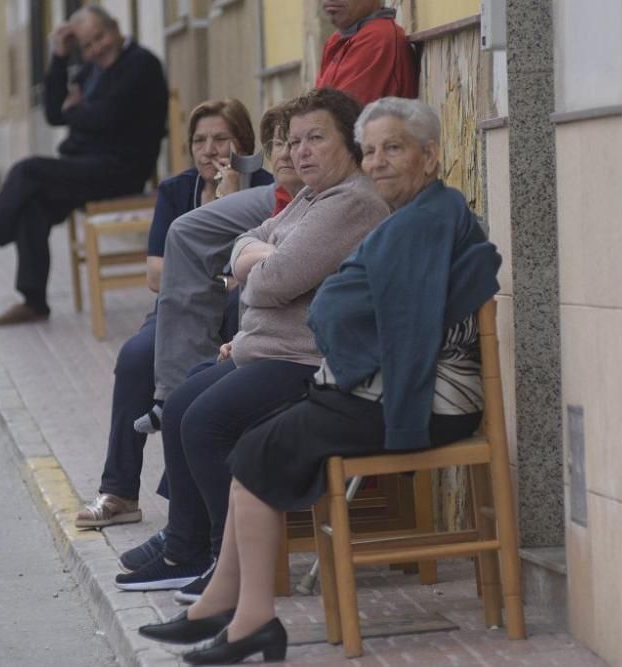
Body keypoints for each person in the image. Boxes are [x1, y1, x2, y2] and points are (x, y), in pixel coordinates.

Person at [137, 97, 500, 665]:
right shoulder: (416, 212)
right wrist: (300, 281)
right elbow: (335, 302)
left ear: (429, 157)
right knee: (245, 447)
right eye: (373, 149)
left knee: (250, 449)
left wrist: (291, 281)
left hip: (417, 396)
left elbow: (336, 311)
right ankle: (234, 608)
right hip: (383, 383)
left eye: (394, 149)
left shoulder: (414, 221)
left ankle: (245, 615)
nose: (377, 162)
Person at [113, 89, 390, 601]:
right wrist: (262, 256)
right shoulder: (311, 197)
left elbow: (268, 283)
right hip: (266, 349)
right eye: (294, 140)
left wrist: (259, 262)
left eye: (316, 138)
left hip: (308, 362)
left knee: (205, 422)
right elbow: (245, 242)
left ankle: (230, 564)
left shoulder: (351, 203)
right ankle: (184, 548)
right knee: (179, 405)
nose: (301, 151)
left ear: (350, 143)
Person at [148, 1, 418, 417]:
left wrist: (274, 235)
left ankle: (176, 389)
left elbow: (341, 138)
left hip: (310, 191)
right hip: (300, 193)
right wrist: (271, 243)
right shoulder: (338, 42)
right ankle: (176, 384)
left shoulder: (377, 41)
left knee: (190, 234)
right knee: (189, 234)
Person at [74, 98, 274, 529]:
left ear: (243, 144)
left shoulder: (267, 190)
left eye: (221, 138)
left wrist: (232, 203)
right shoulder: (176, 190)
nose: (209, 149)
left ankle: (189, 494)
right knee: (135, 357)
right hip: (179, 309)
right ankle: (120, 491)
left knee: (208, 367)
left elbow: (257, 276)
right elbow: (155, 275)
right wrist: (219, 276)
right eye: (199, 140)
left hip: (243, 311)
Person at [0, 6, 168, 327]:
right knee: (30, 201)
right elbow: (54, 113)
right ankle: (34, 302)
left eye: (100, 38)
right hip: (85, 167)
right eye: (87, 45)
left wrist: (78, 111)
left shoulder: (141, 64)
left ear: (116, 28)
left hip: (120, 170)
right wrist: (60, 56)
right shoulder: (92, 71)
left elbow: (105, 118)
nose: (96, 49)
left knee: (27, 171)